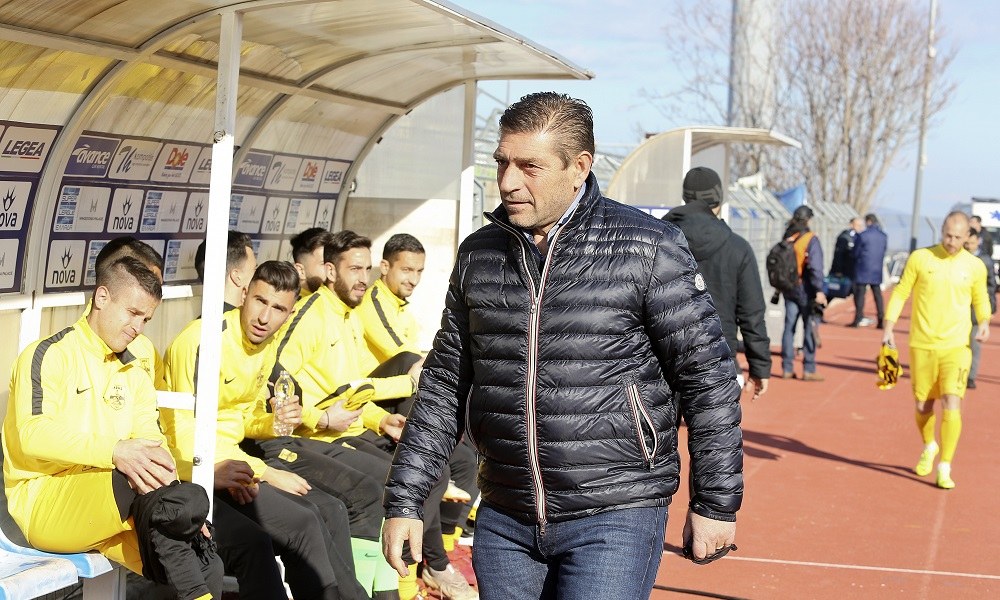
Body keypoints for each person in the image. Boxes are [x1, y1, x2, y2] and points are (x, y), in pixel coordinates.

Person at [382, 92, 743, 599]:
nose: (508, 181)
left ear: (579, 168)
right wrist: (405, 499)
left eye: (529, 166)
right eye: (502, 163)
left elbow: (708, 378)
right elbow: (444, 384)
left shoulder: (647, 247)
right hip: (505, 514)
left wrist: (715, 503)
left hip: (616, 511)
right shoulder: (479, 255)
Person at [270, 230, 477, 600]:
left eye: (366, 269)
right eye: (354, 269)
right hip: (308, 437)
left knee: (427, 474)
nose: (363, 278)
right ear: (330, 271)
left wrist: (378, 419)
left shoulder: (349, 314)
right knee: (384, 488)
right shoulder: (312, 316)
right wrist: (319, 418)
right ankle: (396, 585)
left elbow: (348, 389)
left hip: (346, 429)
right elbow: (278, 380)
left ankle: (410, 580)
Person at [3, 257, 223, 600]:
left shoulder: (135, 372)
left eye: (146, 319)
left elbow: (151, 443)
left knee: (204, 558)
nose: (139, 327)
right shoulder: (49, 354)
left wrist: (181, 507)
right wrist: (115, 451)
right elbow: (33, 434)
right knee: (137, 481)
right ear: (102, 297)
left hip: (115, 505)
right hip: (45, 504)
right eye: (133, 313)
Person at [161, 260, 369, 600]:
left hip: (233, 462)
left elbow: (242, 418)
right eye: (260, 301)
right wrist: (261, 471)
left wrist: (272, 423)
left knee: (328, 508)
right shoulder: (202, 341)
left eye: (278, 309)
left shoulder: (267, 345)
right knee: (302, 523)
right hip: (194, 469)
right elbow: (180, 431)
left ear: (290, 313)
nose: (264, 317)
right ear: (244, 294)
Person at [356, 233, 480, 545]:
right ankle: (428, 560)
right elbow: (409, 360)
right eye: (406, 270)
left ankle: (447, 545)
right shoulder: (373, 304)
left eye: (419, 271)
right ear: (385, 267)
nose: (413, 279)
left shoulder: (402, 310)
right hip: (372, 398)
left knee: (468, 456)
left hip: (395, 392)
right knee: (414, 364)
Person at [882, 211, 991, 489]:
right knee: (923, 405)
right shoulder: (921, 258)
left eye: (958, 237)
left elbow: (981, 298)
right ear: (941, 231)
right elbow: (901, 292)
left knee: (952, 400)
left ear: (967, 237)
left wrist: (984, 322)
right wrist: (888, 328)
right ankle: (929, 445)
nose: (952, 242)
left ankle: (945, 466)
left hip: (957, 346)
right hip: (922, 344)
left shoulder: (975, 266)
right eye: (948, 236)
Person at [663, 166, 770, 400]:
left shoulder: (661, 240)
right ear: (718, 199)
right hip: (718, 358)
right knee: (716, 423)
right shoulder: (738, 247)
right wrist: (759, 367)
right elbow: (752, 315)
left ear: (686, 197)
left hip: (664, 360)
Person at [779, 205, 827, 381]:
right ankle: (809, 368)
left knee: (789, 328)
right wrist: (819, 290)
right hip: (806, 290)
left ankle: (787, 367)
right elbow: (815, 267)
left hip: (788, 288)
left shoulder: (788, 236)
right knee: (810, 327)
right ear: (808, 220)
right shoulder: (810, 239)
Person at [964, 228, 997, 389]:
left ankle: (970, 376)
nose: (969, 246)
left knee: (974, 344)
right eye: (966, 243)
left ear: (978, 241)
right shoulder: (959, 258)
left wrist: (991, 307)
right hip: (960, 307)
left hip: (977, 309)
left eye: (971, 243)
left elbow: (991, 285)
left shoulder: (985, 261)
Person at [194, 231, 256, 310]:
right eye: (254, 270)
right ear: (237, 277)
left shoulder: (202, 317)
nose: (258, 276)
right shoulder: (243, 318)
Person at [851, 213, 888, 328]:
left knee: (860, 294)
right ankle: (881, 320)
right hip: (876, 269)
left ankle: (858, 318)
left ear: (868, 221)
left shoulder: (863, 235)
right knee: (877, 295)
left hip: (863, 268)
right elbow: (884, 250)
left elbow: (856, 252)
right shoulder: (883, 236)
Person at [290, 226, 336, 296]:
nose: (333, 270)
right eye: (324, 263)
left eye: (336, 263)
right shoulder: (289, 301)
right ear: (300, 271)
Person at [830, 217, 863, 282]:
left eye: (861, 225)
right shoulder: (844, 237)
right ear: (851, 225)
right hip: (844, 271)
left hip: (854, 272)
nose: (860, 227)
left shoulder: (861, 237)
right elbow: (838, 254)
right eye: (858, 225)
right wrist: (838, 270)